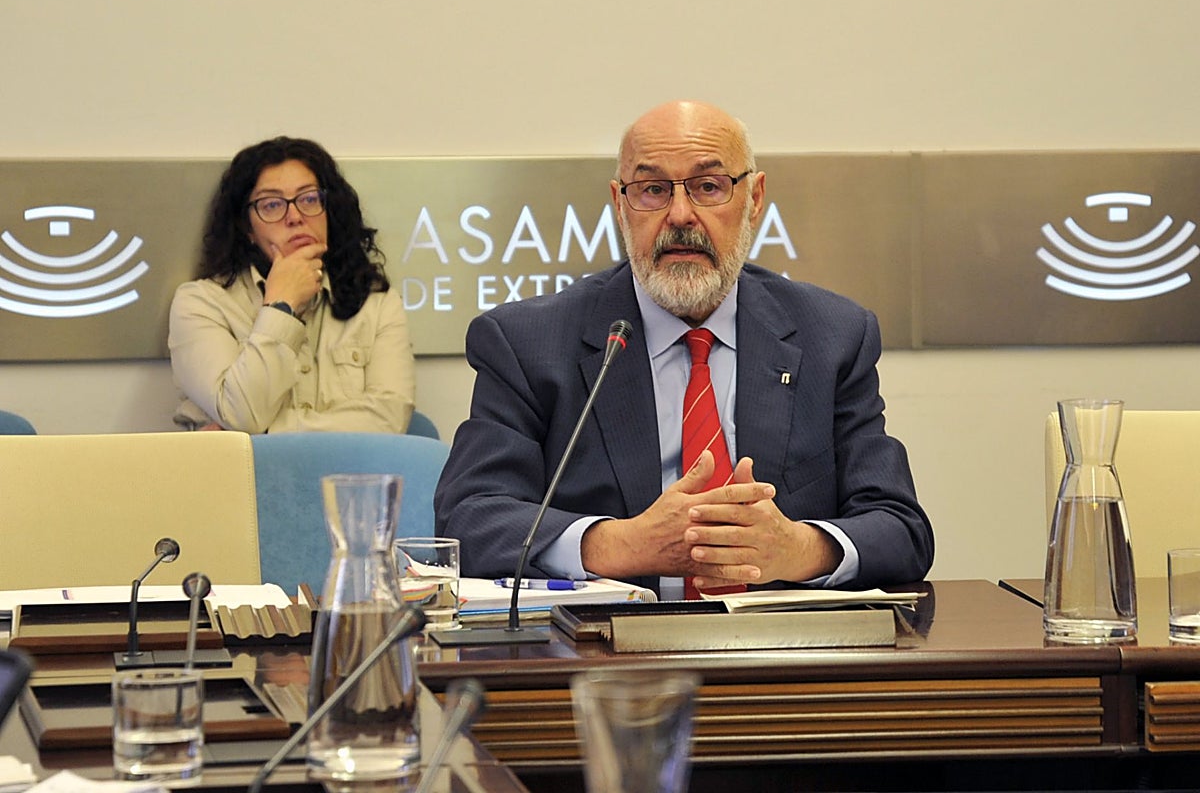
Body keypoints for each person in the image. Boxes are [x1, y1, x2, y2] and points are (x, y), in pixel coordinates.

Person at [435, 101, 933, 595]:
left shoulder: (833, 336)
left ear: (754, 199)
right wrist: (622, 544)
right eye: (652, 190)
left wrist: (797, 549)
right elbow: (469, 520)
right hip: (608, 642)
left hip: (777, 642)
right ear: (620, 205)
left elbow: (900, 529)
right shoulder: (529, 344)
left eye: (708, 186)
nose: (680, 215)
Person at [168, 136, 415, 434]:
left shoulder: (377, 303)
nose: (295, 217)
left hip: (349, 467)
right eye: (272, 204)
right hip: (250, 470)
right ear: (247, 227)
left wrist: (262, 434)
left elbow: (389, 420)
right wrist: (281, 305)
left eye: (309, 199)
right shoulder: (201, 304)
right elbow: (241, 414)